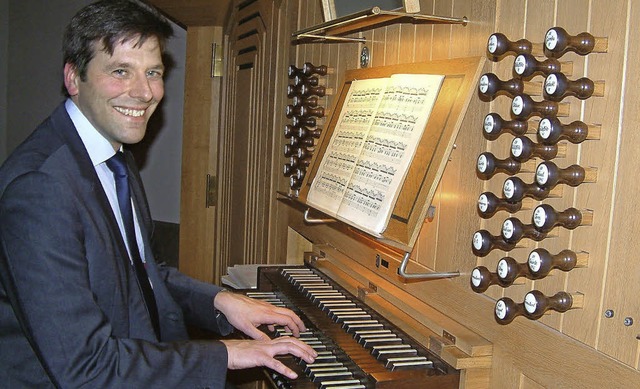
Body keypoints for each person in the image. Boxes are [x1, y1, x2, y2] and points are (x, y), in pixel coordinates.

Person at [0, 0, 316, 387]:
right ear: (73, 78)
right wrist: (225, 354)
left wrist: (219, 302)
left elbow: (141, 271)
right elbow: (83, 369)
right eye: (120, 71)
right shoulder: (40, 190)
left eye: (153, 73)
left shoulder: (113, 153)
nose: (144, 92)